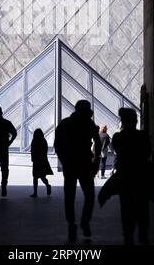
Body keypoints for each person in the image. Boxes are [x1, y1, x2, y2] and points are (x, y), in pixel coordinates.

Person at [54, 100, 101, 241]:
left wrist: (64, 160)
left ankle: (71, 222)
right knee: (90, 196)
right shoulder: (89, 123)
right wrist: (96, 160)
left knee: (69, 195)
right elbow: (97, 143)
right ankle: (85, 222)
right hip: (85, 163)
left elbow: (57, 145)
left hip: (70, 164)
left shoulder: (64, 123)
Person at [111, 107, 153, 245]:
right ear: (135, 120)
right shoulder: (143, 136)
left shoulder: (118, 137)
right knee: (142, 207)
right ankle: (143, 234)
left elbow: (117, 151)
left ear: (122, 121)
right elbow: (147, 153)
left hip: (125, 177)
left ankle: (128, 235)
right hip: (141, 177)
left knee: (126, 207)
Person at [30, 128, 53, 198]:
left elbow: (32, 151)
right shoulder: (44, 141)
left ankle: (35, 192)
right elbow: (45, 151)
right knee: (42, 176)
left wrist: (33, 159)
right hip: (43, 161)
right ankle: (47, 185)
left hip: (36, 161)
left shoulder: (34, 141)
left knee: (35, 177)